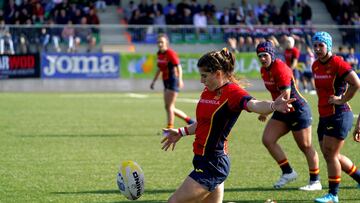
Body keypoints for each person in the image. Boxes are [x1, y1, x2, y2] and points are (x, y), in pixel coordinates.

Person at [161, 48, 296, 203]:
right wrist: (181, 132)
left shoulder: (233, 92)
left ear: (218, 74)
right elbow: (205, 123)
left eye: (204, 76)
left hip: (213, 164)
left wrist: (273, 106)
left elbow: (254, 104)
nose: (201, 80)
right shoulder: (208, 91)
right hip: (202, 160)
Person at [256, 41, 321, 190]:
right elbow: (275, 94)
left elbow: (285, 95)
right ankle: (288, 172)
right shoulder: (263, 70)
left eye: (265, 55)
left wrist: (266, 110)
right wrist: (269, 110)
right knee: (268, 139)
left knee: (305, 146)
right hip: (282, 110)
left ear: (271, 54)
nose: (262, 59)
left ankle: (315, 181)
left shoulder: (280, 67)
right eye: (259, 56)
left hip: (297, 110)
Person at [311, 31, 360, 203]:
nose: (317, 49)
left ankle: (333, 195)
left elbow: (356, 83)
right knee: (331, 155)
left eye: (321, 45)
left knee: (331, 154)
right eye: (315, 45)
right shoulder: (315, 65)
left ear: (328, 46)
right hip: (324, 115)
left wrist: (343, 99)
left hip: (339, 114)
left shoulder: (338, 63)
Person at [150, 34, 194, 129]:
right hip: (165, 81)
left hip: (173, 80)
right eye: (158, 42)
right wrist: (153, 81)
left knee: (169, 107)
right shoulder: (159, 54)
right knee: (169, 107)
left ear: (166, 43)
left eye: (162, 42)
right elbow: (159, 69)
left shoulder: (170, 53)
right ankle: (190, 121)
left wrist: (180, 79)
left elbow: (178, 66)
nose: (160, 44)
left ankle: (169, 128)